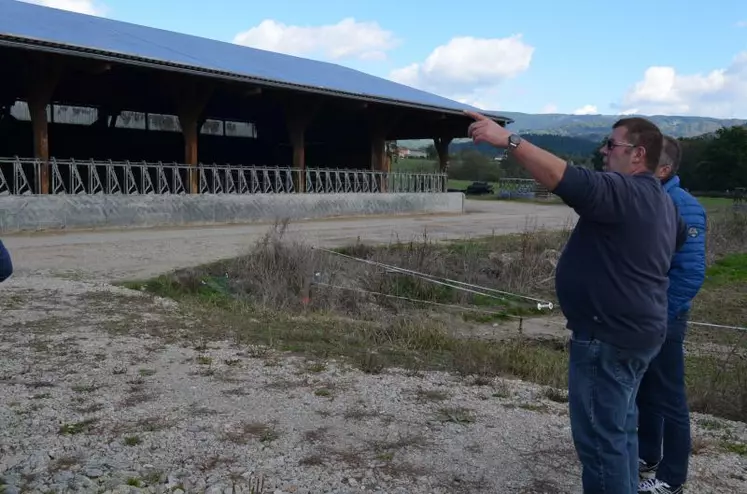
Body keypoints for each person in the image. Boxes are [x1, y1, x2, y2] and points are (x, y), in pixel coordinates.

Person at [465, 112, 686, 494]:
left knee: (602, 443)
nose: (604, 150)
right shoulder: (662, 202)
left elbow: (563, 177)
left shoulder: (624, 191)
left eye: (612, 144)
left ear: (638, 154)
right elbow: (676, 239)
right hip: (637, 332)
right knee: (620, 432)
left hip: (608, 337)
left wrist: (510, 142)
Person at [636, 136, 707, 494]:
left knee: (669, 395)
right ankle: (647, 454)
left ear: (663, 169)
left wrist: (659, 315)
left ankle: (671, 477)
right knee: (644, 388)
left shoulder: (683, 206)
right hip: (641, 315)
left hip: (664, 316)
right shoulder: (645, 198)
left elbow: (690, 272)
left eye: (642, 159)